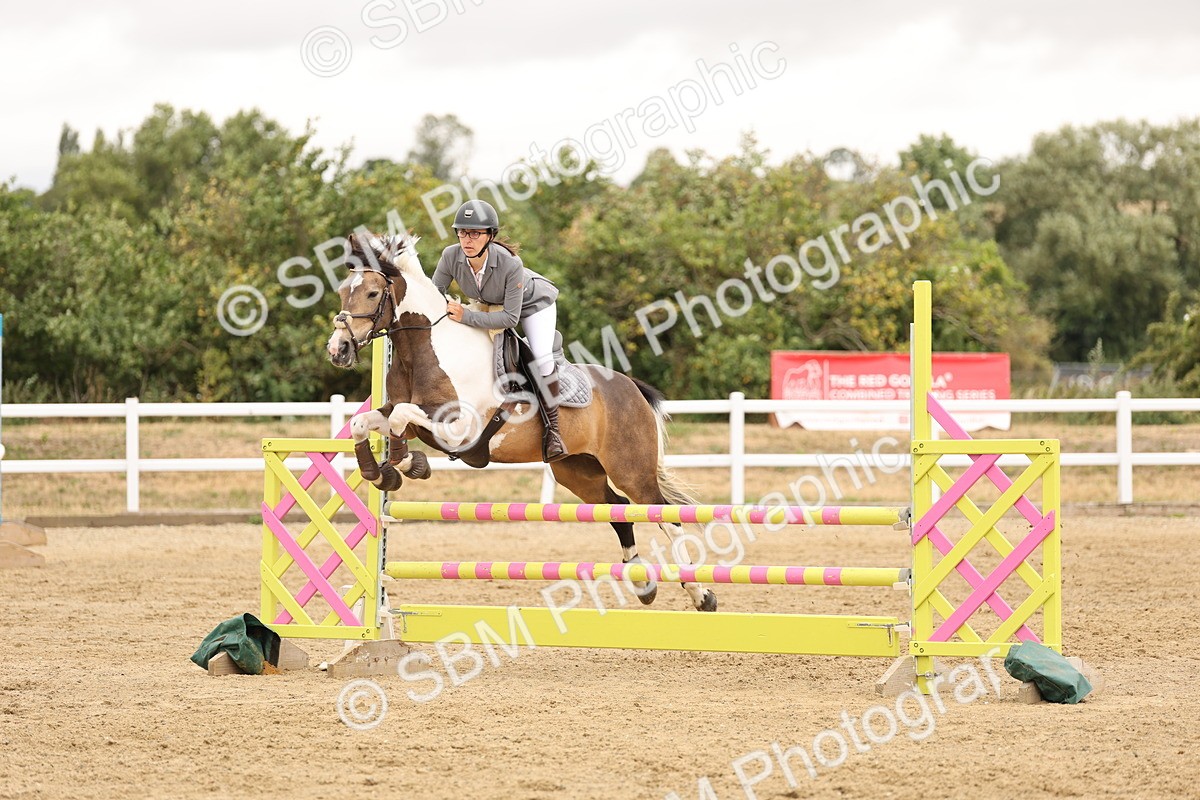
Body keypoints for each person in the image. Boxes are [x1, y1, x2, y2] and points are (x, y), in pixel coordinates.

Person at [432, 199, 568, 462]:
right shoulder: (450, 256)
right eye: (462, 232)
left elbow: (509, 318)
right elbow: (434, 294)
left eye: (475, 233)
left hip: (531, 306)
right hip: (491, 306)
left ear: (490, 236)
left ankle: (554, 431)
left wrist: (465, 316)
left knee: (541, 357)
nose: (467, 239)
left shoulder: (510, 263)